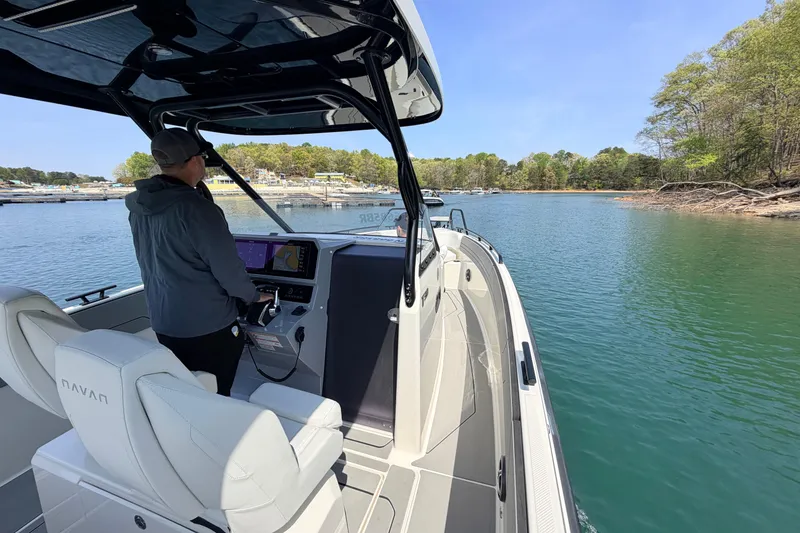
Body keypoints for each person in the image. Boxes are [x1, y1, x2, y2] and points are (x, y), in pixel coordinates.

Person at [125, 128, 272, 396]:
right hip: (207, 327)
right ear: (195, 161)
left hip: (164, 321)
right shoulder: (198, 209)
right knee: (216, 393)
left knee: (187, 392)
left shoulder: (138, 205)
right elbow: (229, 272)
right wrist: (254, 296)